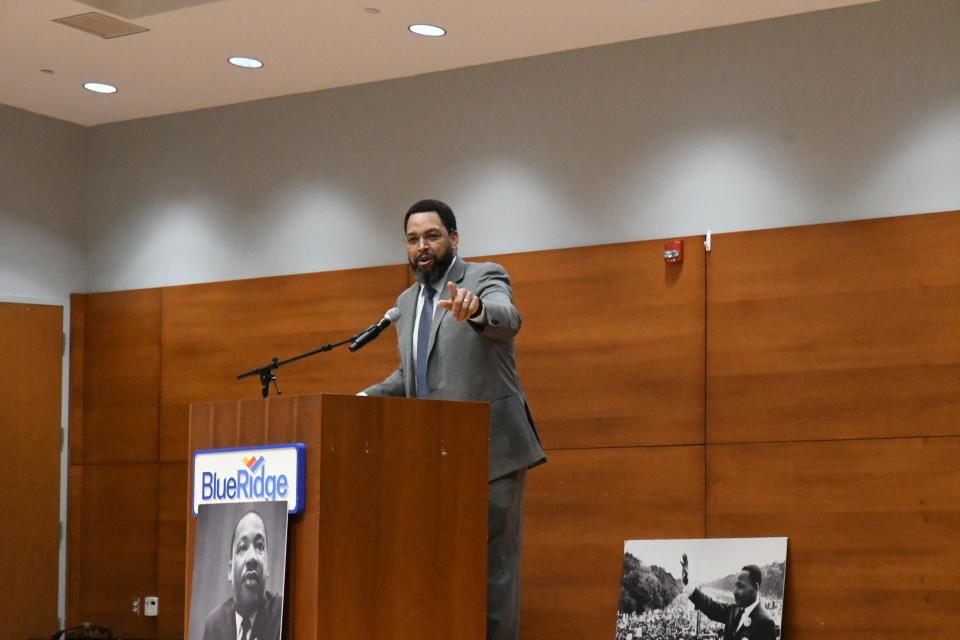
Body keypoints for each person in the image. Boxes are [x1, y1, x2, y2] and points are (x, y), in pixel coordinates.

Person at [363, 198, 546, 640]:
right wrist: (362, 398)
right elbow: (411, 374)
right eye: (412, 239)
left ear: (453, 239)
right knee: (438, 571)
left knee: (493, 574)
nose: (421, 246)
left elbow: (508, 318)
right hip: (431, 459)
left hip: (492, 454)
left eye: (431, 236)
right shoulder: (405, 303)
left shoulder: (483, 277)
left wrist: (478, 310)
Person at [203, 510, 283, 640]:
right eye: (242, 547)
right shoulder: (213, 625)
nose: (252, 558)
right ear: (230, 570)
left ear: (268, 567)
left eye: (260, 546)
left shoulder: (282, 613)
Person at [687, 565, 777, 640]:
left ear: (755, 587)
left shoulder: (766, 623)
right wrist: (688, 584)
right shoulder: (733, 610)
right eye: (735, 586)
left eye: (740, 586)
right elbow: (711, 606)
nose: (735, 591)